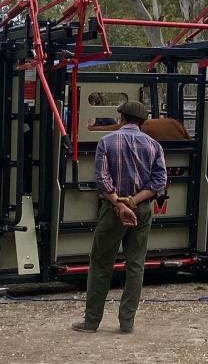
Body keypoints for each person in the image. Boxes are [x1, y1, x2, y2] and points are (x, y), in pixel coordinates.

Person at [72, 101, 167, 334]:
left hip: (113, 210)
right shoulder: (154, 145)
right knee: (135, 264)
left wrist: (120, 204)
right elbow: (159, 181)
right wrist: (134, 202)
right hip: (143, 208)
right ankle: (127, 323)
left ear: (122, 117)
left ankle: (91, 322)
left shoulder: (106, 142)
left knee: (101, 263)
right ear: (142, 122)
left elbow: (102, 180)